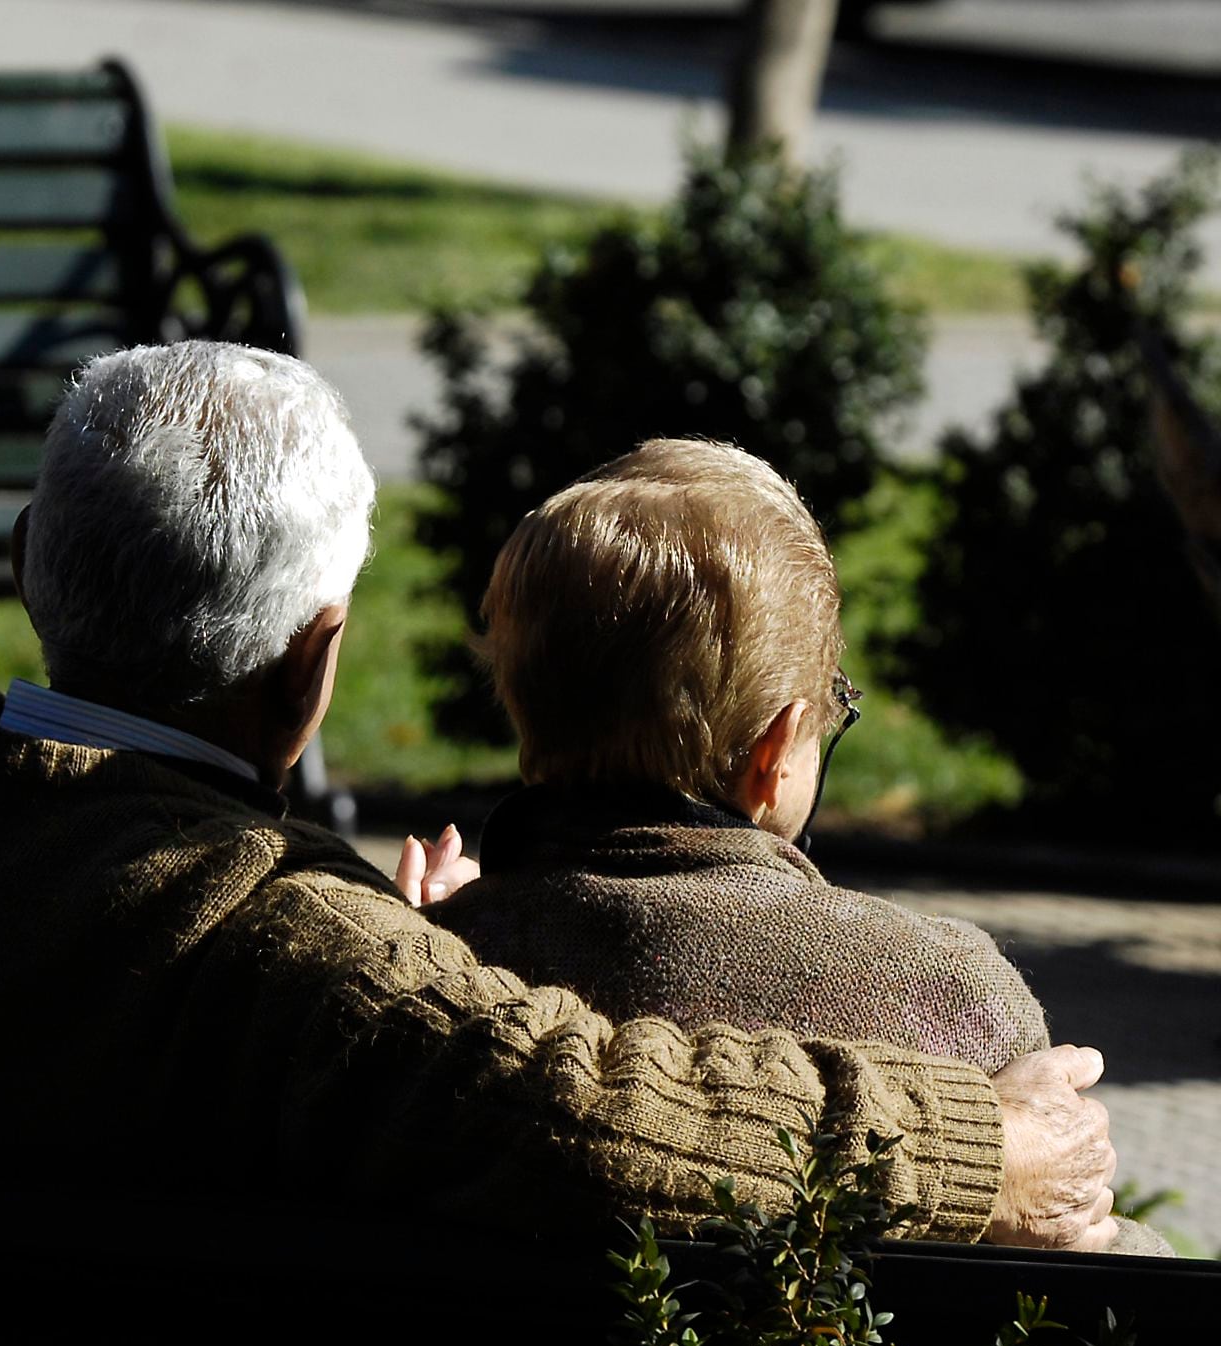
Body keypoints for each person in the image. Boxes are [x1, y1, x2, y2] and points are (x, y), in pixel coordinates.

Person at [0, 341, 1118, 1249]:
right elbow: (600, 1120)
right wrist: (980, 1144)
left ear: (29, 564)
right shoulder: (286, 952)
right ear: (319, 651)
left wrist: (392, 937)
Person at [428, 438, 1168, 1252]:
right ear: (774, 753)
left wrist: (442, 930)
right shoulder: (952, 991)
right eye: (830, 709)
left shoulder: (439, 980)